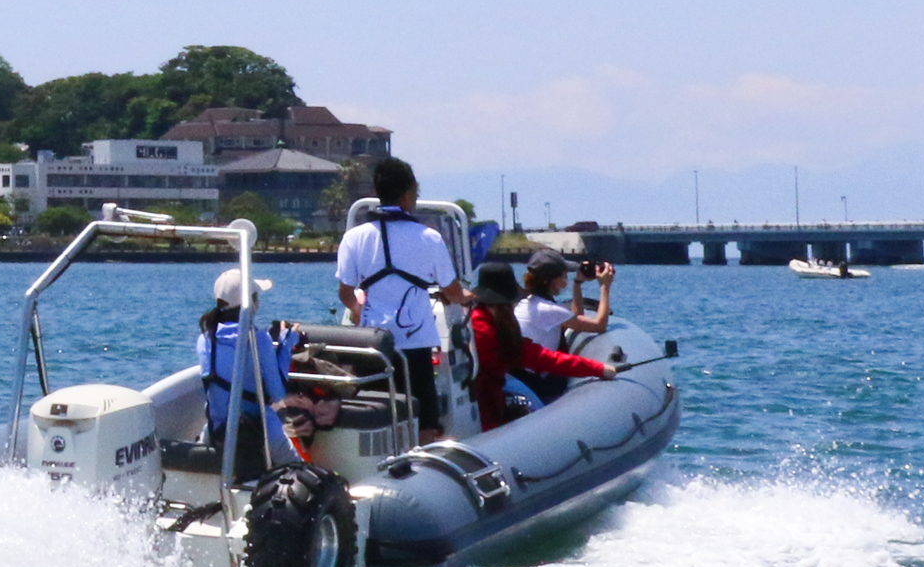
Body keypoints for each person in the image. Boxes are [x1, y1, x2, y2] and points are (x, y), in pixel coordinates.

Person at [336, 158, 473, 444]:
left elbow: (346, 294)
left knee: (377, 411)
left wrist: (359, 310)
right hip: (415, 345)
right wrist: (467, 297)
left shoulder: (354, 238)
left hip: (373, 344)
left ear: (377, 190)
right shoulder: (429, 238)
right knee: (424, 418)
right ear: (408, 195)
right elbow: (452, 292)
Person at [469, 262, 614, 429]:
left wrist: (578, 283)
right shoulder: (492, 332)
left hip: (493, 389)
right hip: (488, 402)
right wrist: (599, 368)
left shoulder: (477, 319)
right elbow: (542, 358)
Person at [198, 268, 303, 471]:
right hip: (259, 432)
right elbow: (278, 394)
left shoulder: (204, 339)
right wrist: (287, 344)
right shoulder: (258, 339)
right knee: (301, 472)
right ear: (251, 304)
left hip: (216, 433)